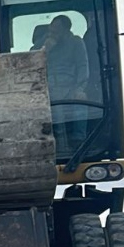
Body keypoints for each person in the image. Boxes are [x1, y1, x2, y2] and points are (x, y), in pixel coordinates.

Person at [41, 15, 90, 155]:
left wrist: (80, 88)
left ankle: (78, 142)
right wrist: (46, 50)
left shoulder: (76, 43)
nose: (53, 31)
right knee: (54, 115)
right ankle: (56, 146)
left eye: (57, 28)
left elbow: (82, 65)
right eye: (52, 27)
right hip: (47, 89)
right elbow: (31, 65)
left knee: (80, 103)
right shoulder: (42, 45)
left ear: (65, 29)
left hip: (70, 87)